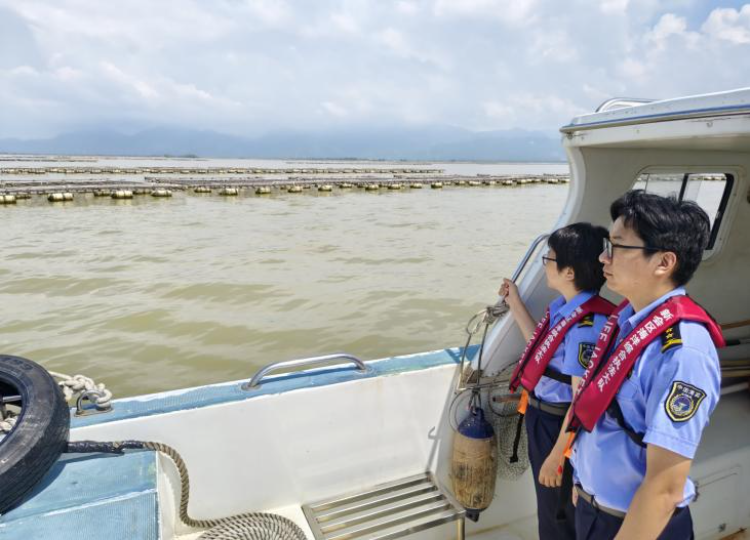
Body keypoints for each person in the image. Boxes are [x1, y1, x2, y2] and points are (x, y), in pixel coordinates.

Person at [566, 190, 725, 540]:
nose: (603, 258)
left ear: (663, 262)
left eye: (617, 247)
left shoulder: (683, 352)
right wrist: (583, 481)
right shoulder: (626, 320)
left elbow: (664, 488)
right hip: (594, 510)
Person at [501, 222, 614, 540]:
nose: (545, 264)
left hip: (560, 427)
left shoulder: (587, 326)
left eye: (549, 258)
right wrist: (515, 302)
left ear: (569, 272)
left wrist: (556, 456)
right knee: (549, 506)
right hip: (542, 417)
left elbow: (582, 401)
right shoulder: (563, 308)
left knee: (559, 514)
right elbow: (541, 352)